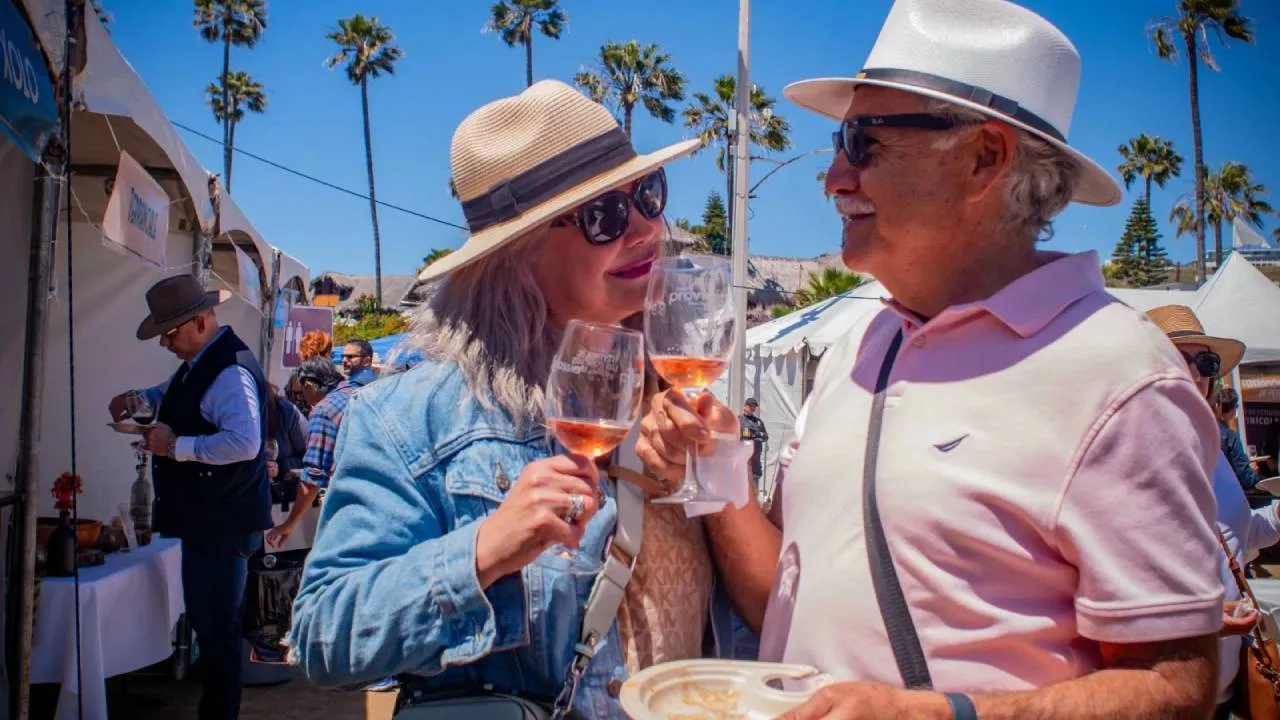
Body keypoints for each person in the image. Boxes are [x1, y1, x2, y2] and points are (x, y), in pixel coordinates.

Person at [637, 1, 1226, 717]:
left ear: (985, 158)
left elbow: (1176, 688)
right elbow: (778, 601)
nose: (832, 178)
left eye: (862, 143)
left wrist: (943, 713)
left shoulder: (1120, 375)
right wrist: (720, 468)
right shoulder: (861, 348)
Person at [287, 80, 748, 719]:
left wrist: (722, 479)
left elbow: (750, 614)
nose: (644, 227)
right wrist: (484, 550)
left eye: (648, 195)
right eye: (604, 216)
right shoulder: (413, 417)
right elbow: (322, 637)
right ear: (514, 256)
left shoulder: (673, 396)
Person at [108, 274, 271, 720]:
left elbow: (244, 442)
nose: (165, 343)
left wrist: (175, 446)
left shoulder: (229, 369)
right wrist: (136, 399)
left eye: (170, 332)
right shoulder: (201, 362)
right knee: (212, 626)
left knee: (217, 631)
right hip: (211, 519)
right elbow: (168, 394)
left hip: (222, 522)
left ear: (200, 321)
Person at [1146, 305, 1280, 716]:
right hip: (1161, 693)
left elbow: (1239, 537)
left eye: (1206, 361)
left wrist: (1276, 518)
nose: (1198, 373)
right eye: (1178, 358)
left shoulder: (1214, 448)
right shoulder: (1136, 451)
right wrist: (1211, 618)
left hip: (1218, 688)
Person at [265, 357, 346, 550]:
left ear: (309, 385)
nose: (302, 398)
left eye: (301, 392)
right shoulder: (359, 394)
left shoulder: (324, 411)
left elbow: (314, 475)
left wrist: (289, 524)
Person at [1215, 386, 1263, 493]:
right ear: (1231, 409)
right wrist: (1254, 474)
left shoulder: (1204, 431)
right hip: (1229, 494)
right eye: (1236, 406)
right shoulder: (1230, 437)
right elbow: (1245, 476)